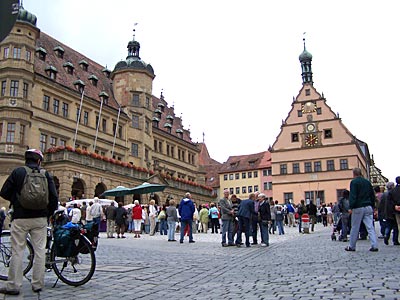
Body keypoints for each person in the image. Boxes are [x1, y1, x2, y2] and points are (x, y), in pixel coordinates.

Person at [0, 149, 58, 295]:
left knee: (17, 251)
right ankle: (37, 284)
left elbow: (4, 192)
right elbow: (54, 198)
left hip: (20, 218)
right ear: (39, 161)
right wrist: (47, 213)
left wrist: (17, 200)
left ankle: (13, 284)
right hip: (40, 219)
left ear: (26, 159)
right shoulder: (45, 174)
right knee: (40, 251)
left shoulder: (18, 172)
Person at [345, 168, 379, 252]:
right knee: (370, 227)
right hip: (368, 206)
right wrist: (372, 205)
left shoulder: (354, 182)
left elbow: (353, 195)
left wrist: (351, 206)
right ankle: (374, 245)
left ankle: (352, 246)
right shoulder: (367, 182)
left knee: (355, 227)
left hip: (358, 207)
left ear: (354, 174)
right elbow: (372, 195)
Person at [388, 176, 400, 245]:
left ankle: (398, 239)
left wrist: (395, 206)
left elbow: (390, 201)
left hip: (396, 209)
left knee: (398, 225)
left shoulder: (393, 191)